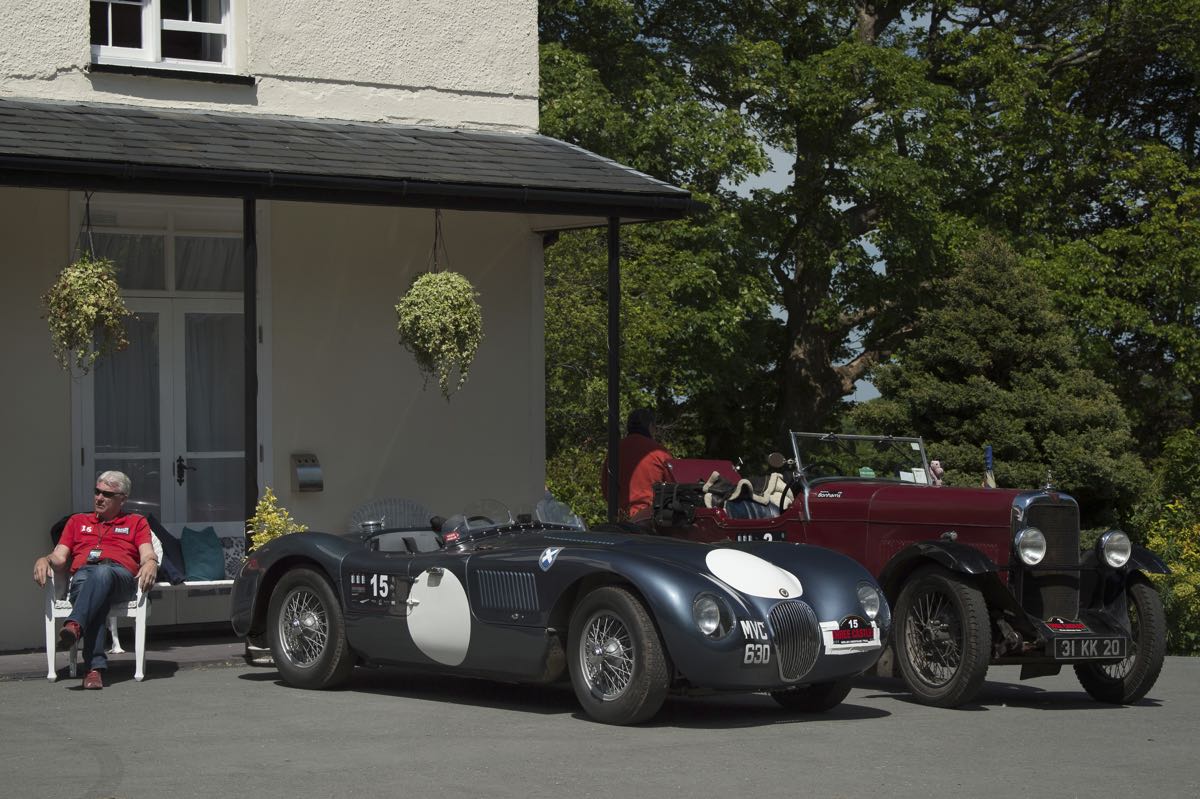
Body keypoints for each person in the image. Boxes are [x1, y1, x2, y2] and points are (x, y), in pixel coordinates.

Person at [32, 471, 158, 689]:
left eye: (107, 494)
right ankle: (93, 671)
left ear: (122, 499)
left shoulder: (136, 522)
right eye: (97, 492)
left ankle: (75, 625)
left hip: (119, 576)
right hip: (84, 576)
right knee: (94, 591)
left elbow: (147, 552)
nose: (99, 498)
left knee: (102, 573)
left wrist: (151, 562)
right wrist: (45, 559)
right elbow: (60, 556)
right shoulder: (77, 521)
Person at [601, 408, 673, 524]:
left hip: (621, 521)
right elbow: (673, 489)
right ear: (650, 426)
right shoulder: (660, 453)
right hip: (650, 521)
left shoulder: (614, 451)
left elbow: (606, 489)